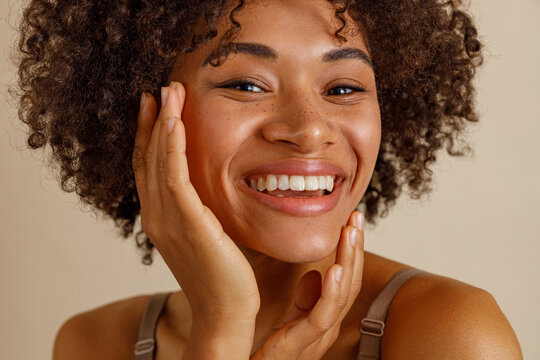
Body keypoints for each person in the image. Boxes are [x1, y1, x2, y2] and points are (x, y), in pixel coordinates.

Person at [14, 0, 522, 358]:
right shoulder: (99, 344)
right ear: (143, 114)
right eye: (246, 84)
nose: (308, 130)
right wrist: (222, 329)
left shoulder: (448, 334)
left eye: (343, 87)